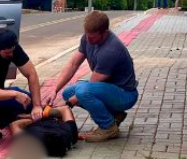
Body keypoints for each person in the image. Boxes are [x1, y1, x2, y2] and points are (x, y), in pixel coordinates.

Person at [45, 11, 138, 142]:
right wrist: (54, 90)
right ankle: (114, 115)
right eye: (87, 36)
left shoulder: (111, 50)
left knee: (83, 92)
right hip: (107, 89)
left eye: (92, 37)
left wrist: (64, 106)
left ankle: (108, 127)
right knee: (67, 92)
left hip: (124, 95)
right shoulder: (87, 38)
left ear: (104, 32)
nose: (88, 40)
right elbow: (73, 64)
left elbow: (90, 86)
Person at [8, 105, 79, 159]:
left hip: (32, 116)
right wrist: (38, 116)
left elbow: (14, 124)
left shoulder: (71, 134)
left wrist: (38, 116)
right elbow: (14, 125)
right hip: (34, 118)